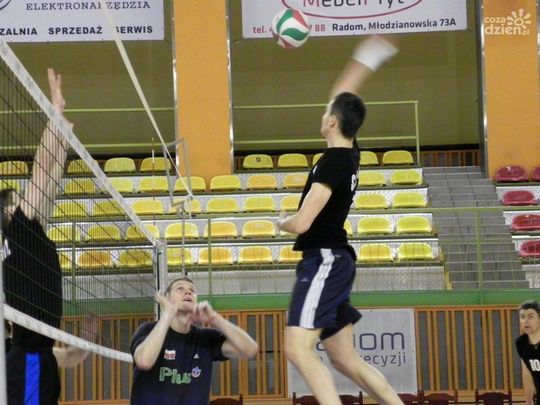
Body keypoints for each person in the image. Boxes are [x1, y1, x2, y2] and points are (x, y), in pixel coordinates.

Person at [276, 35, 402, 405]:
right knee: (345, 359)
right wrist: (366, 58)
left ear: (332, 121)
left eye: (326, 113)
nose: (322, 114)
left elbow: (302, 223)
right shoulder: (349, 154)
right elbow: (342, 97)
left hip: (324, 260)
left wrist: (281, 222)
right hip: (336, 259)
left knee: (297, 348)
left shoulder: (333, 163)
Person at [1, 68, 71, 405]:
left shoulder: (26, 234)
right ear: (7, 211)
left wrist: (63, 136)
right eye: (17, 200)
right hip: (29, 353)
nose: (24, 201)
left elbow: (50, 180)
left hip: (38, 352)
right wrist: (54, 114)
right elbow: (41, 172)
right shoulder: (17, 229)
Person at [130, 276, 258, 405]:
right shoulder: (148, 330)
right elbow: (144, 361)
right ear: (167, 298)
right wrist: (168, 313)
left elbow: (250, 349)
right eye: (180, 289)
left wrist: (214, 319)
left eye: (192, 290)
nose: (188, 292)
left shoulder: (205, 337)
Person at [516, 300, 540, 405]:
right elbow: (527, 374)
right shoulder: (521, 343)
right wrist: (529, 401)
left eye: (530, 317)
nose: (526, 321)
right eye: (522, 317)